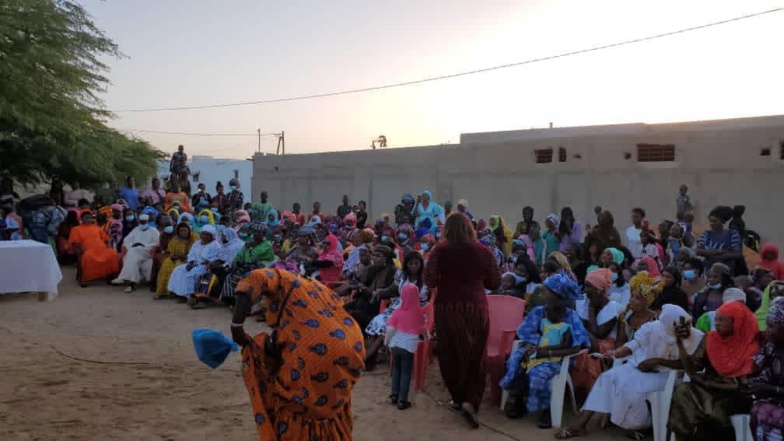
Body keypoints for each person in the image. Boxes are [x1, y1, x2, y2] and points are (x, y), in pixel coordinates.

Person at [229, 269, 365, 440]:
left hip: (315, 348)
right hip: (351, 344)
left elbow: (254, 278)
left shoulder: (279, 277)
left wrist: (236, 326)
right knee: (329, 404)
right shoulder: (312, 288)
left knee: (299, 404)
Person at [555, 305, 704, 439]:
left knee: (630, 388)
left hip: (668, 375)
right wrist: (615, 353)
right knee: (607, 377)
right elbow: (634, 344)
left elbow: (692, 366)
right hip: (640, 366)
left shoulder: (696, 337)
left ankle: (638, 426)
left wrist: (658, 361)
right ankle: (580, 424)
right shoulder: (653, 327)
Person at [424, 213, 501, 428]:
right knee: (476, 354)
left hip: (447, 307)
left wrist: (445, 278)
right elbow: (495, 281)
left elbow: (428, 279)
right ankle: (471, 400)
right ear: (470, 229)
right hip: (475, 307)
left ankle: (457, 397)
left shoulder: (439, 250)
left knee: (450, 353)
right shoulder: (483, 251)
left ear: (446, 229)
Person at [499, 273, 589, 427]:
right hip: (535, 353)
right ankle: (519, 397)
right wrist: (531, 347)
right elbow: (525, 334)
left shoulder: (571, 317)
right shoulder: (538, 312)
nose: (542, 292)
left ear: (558, 296)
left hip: (558, 358)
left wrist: (546, 352)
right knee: (518, 361)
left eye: (547, 290)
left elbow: (577, 345)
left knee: (538, 373)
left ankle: (546, 408)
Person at [668, 301, 759, 441]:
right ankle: (684, 437)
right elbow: (694, 368)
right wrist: (680, 344)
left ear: (736, 322)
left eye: (722, 320)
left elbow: (742, 385)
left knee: (717, 410)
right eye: (716, 319)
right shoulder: (711, 339)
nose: (717, 323)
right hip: (709, 387)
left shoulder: (749, 345)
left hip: (733, 394)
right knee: (682, 390)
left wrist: (707, 383)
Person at [365, 251, 428, 367]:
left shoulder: (426, 279)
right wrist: (379, 291)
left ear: (421, 264)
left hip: (418, 312)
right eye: (411, 264)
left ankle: (369, 356)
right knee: (379, 320)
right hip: (398, 308)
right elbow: (393, 290)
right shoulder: (402, 275)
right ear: (406, 265)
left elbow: (429, 300)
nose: (414, 266)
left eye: (416, 264)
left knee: (389, 325)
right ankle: (375, 353)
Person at [385, 283, 429, 410]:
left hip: (395, 344)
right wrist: (427, 338)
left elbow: (390, 329)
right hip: (408, 346)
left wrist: (386, 342)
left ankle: (394, 394)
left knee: (396, 369)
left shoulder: (397, 311)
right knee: (406, 372)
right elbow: (423, 329)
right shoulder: (418, 312)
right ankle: (403, 400)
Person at [748, 297, 784, 440]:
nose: (766, 331)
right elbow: (759, 371)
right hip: (774, 401)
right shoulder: (771, 346)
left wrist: (770, 389)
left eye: (771, 326)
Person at [219, 221, 275, 304]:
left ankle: (246, 301)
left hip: (260, 268)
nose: (256, 234)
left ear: (263, 233)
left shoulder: (267, 245)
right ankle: (232, 299)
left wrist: (250, 249)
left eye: (259, 232)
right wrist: (236, 262)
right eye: (254, 232)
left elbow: (257, 257)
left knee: (246, 277)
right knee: (230, 276)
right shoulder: (248, 244)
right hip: (246, 267)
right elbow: (239, 256)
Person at [68, 210, 120, 287]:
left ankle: (110, 277)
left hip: (101, 249)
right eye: (86, 218)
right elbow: (75, 242)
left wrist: (108, 245)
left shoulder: (97, 228)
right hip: (88, 250)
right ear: (81, 219)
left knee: (112, 253)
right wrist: (81, 248)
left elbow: (107, 238)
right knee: (87, 256)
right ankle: (85, 278)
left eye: (90, 218)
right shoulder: (76, 229)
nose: (88, 220)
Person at [167, 224, 219, 301]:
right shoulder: (197, 243)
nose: (205, 236)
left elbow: (215, 257)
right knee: (178, 270)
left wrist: (204, 262)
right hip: (193, 263)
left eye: (208, 235)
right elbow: (191, 254)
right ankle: (179, 293)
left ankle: (189, 295)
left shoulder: (215, 245)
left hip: (204, 266)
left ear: (212, 236)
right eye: (204, 234)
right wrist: (191, 263)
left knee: (190, 274)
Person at [112, 214, 160, 292]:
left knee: (132, 253)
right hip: (134, 251)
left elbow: (157, 243)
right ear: (139, 221)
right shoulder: (136, 230)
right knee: (132, 254)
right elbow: (126, 240)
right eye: (141, 222)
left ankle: (123, 277)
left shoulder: (153, 230)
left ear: (148, 222)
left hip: (147, 252)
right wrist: (132, 245)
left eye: (144, 222)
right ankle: (132, 283)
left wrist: (144, 245)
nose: (143, 224)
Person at [696, 205, 742, 274]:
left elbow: (737, 253)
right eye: (710, 221)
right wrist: (719, 252)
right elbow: (698, 250)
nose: (711, 224)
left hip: (726, 270)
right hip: (707, 269)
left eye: (714, 221)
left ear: (722, 221)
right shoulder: (706, 234)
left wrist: (708, 253)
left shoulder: (732, 234)